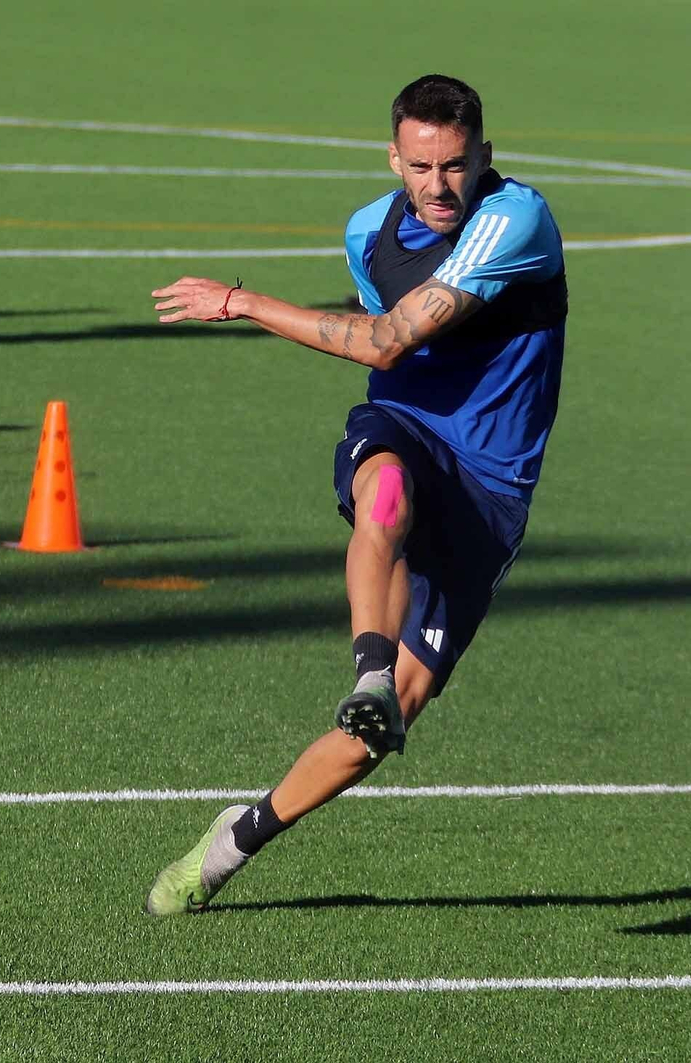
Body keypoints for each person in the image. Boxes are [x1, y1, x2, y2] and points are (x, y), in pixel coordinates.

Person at [142, 74, 567, 915]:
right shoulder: (367, 232)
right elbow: (394, 367)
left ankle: (235, 839)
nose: (439, 186)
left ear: (485, 154)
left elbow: (387, 338)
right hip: (407, 429)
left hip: (490, 485)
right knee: (385, 499)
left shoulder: (515, 219)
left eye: (455, 165)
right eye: (420, 166)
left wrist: (242, 301)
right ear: (394, 158)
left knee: (384, 729)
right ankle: (367, 670)